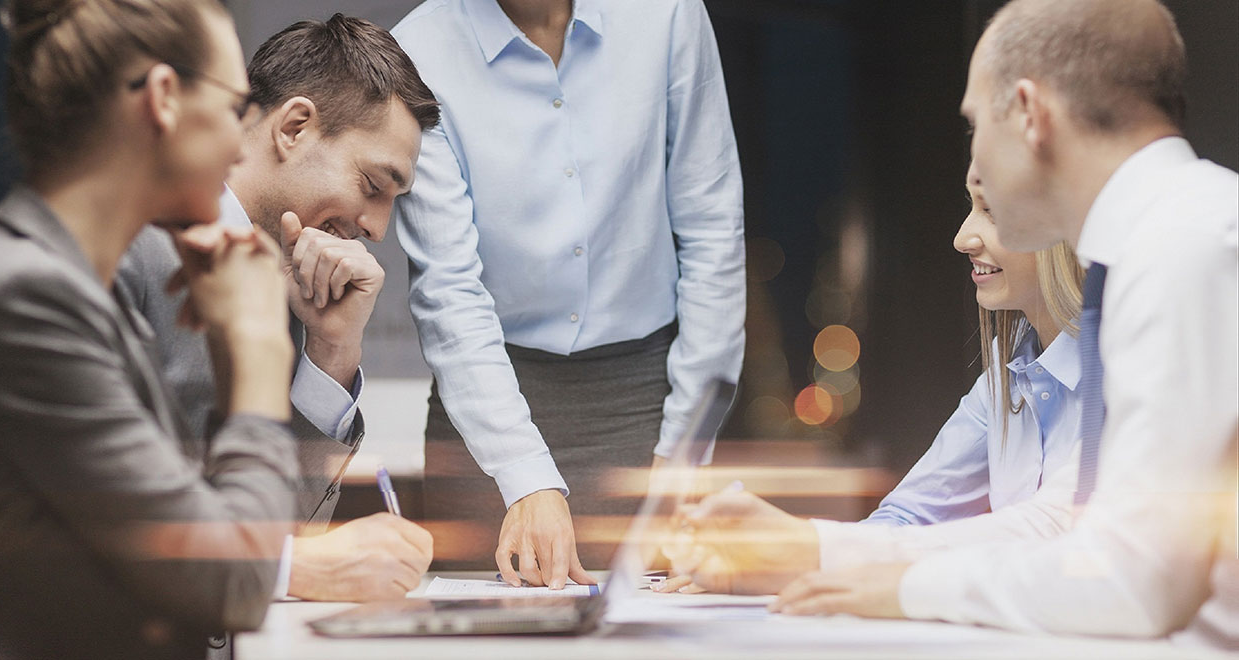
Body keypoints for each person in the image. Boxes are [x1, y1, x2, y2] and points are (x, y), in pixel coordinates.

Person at [769, 0, 1237, 647]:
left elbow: (1129, 579)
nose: (976, 163)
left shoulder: (1184, 245)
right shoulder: (1171, 238)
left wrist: (901, 587)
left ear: (1028, 113)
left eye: (973, 124)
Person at [0, 0, 300, 657]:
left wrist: (229, 349)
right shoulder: (26, 299)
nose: (241, 145)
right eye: (233, 108)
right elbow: (232, 580)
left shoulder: (74, 288)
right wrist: (258, 346)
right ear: (163, 97)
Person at [391, 0, 746, 586]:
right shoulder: (418, 50)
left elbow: (713, 229)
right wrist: (521, 472)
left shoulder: (668, 15)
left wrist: (683, 452)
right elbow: (449, 286)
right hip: (488, 410)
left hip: (647, 402)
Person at [118, 13, 438, 605]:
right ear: (293, 127)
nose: (377, 227)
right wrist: (294, 567)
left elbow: (282, 532)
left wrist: (333, 352)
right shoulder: (127, 247)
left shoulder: (289, 285)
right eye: (373, 184)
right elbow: (95, 513)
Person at [661, 163, 1086, 595]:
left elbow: (1058, 533)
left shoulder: (1132, 370)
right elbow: (906, 517)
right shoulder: (1005, 379)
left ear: (1067, 224)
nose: (962, 238)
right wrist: (765, 561)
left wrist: (803, 551)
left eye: (991, 211)